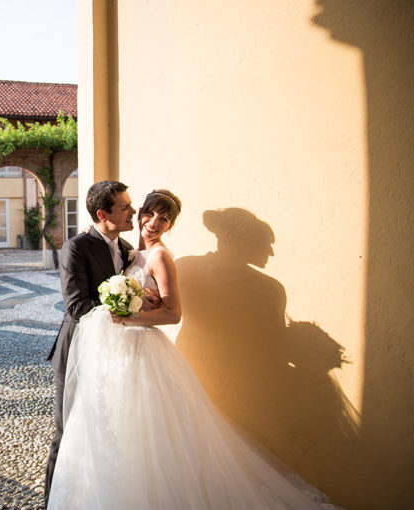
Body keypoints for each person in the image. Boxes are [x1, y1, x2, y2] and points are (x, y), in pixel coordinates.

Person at [47, 189, 344, 510]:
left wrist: (129, 312)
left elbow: (173, 313)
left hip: (139, 351)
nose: (149, 221)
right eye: (146, 213)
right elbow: (78, 304)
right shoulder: (129, 252)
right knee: (88, 429)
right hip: (105, 350)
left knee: (141, 429)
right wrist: (128, 305)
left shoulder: (159, 256)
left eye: (164, 219)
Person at [44, 180, 159, 504]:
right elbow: (77, 306)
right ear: (102, 213)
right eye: (125, 207)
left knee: (105, 427)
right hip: (77, 350)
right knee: (67, 430)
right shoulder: (76, 247)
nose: (133, 212)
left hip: (112, 352)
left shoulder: (127, 251)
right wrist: (125, 305)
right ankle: (53, 501)